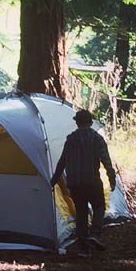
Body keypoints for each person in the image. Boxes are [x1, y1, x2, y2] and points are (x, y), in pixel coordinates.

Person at [50, 109, 117, 257]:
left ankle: (83, 249)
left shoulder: (70, 139)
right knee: (99, 207)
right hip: (92, 181)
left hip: (74, 183)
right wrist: (112, 178)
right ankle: (94, 234)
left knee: (81, 213)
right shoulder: (96, 139)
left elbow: (62, 162)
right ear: (91, 122)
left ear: (77, 122)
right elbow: (106, 161)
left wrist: (53, 180)